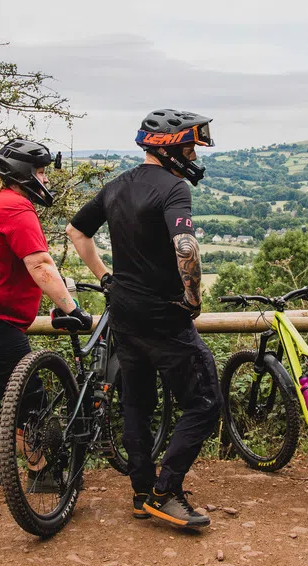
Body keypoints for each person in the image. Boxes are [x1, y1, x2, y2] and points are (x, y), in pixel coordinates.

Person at [66, 109, 222, 529]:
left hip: (124, 312)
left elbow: (76, 232)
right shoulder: (174, 190)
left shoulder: (117, 186)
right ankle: (165, 492)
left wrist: (105, 278)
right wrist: (193, 297)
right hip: (162, 314)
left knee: (136, 402)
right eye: (189, 146)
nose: (192, 155)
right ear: (171, 147)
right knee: (206, 402)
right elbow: (185, 246)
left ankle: (141, 494)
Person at [0, 139, 91, 485]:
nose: (45, 179)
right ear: (24, 173)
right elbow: (39, 263)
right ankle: (42, 472)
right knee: (30, 392)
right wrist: (71, 308)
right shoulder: (16, 208)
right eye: (41, 171)